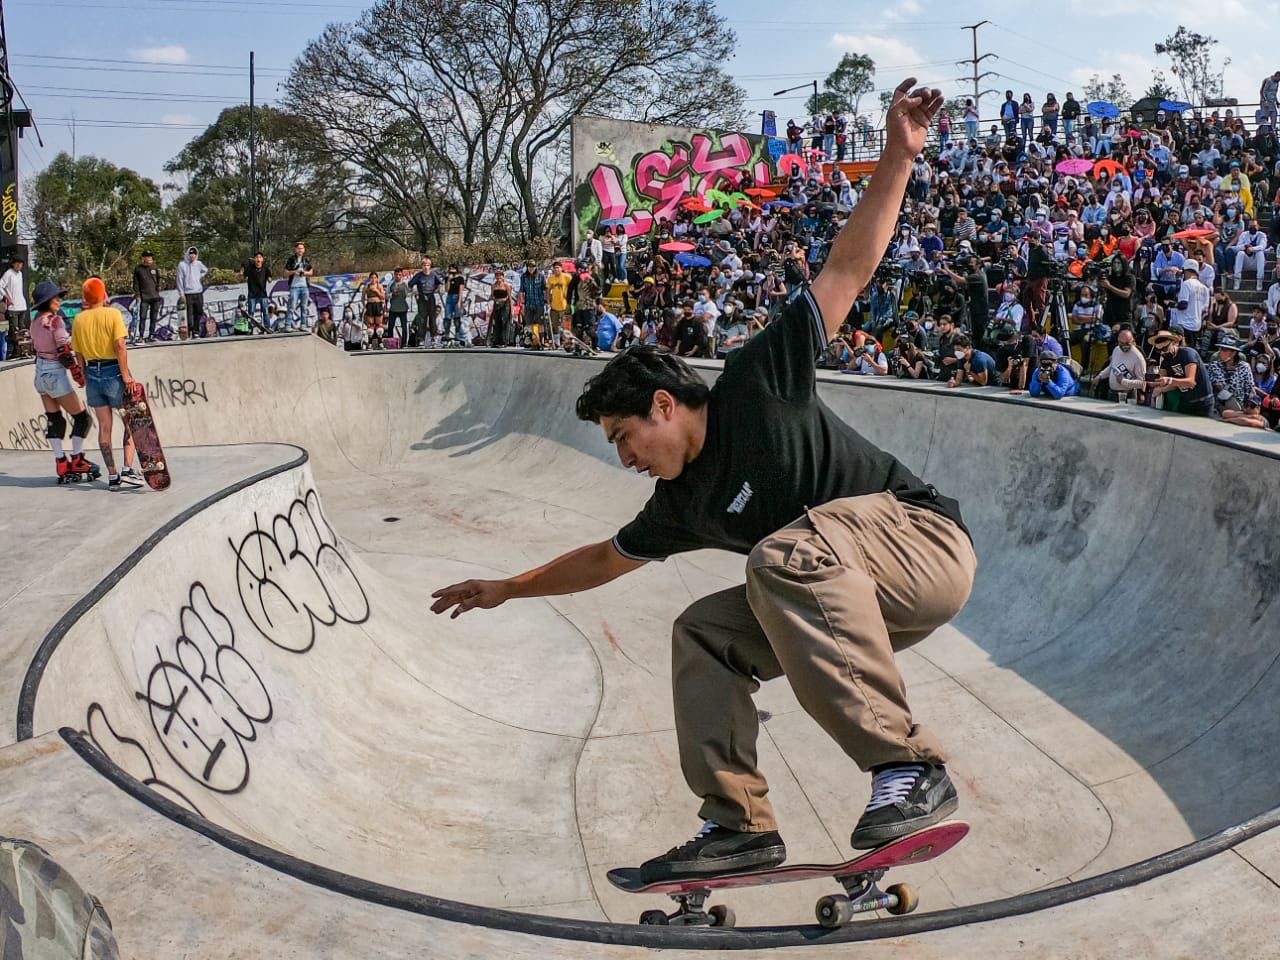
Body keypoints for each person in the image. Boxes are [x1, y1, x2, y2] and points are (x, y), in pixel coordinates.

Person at [431, 79, 975, 882]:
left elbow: (848, 270)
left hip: (921, 547)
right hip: (842, 602)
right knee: (705, 633)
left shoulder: (759, 381)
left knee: (779, 558)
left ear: (663, 405)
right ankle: (739, 823)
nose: (625, 459)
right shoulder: (680, 503)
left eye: (625, 439)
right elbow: (602, 561)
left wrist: (897, 156)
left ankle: (911, 767)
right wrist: (507, 588)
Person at [69, 278, 141, 488]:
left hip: (92, 375)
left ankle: (112, 476)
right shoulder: (112, 314)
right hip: (113, 374)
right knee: (131, 420)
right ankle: (128, 469)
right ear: (103, 294)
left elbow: (78, 352)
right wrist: (126, 374)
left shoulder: (79, 320)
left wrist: (82, 374)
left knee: (104, 427)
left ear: (85, 297)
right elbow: (120, 344)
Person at [28, 280, 98, 482]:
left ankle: (61, 462)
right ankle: (77, 459)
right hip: (55, 375)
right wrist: (78, 373)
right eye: (55, 297)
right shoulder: (55, 321)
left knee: (55, 420)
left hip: (40, 375)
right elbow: (64, 352)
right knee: (83, 418)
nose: (59, 300)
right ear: (46, 301)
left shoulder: (34, 323)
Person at [1149, 329, 1212, 416]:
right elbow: (1162, 381)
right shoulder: (1166, 361)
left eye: (1165, 348)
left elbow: (1190, 382)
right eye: (1159, 350)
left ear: (1172, 343)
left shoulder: (1187, 354)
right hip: (1186, 401)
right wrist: (1152, 383)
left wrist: (1168, 380)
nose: (1163, 352)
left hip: (1201, 400)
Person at [1209, 335, 1259, 423]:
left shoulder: (1244, 367)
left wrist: (1249, 403)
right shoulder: (1214, 365)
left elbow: (1250, 388)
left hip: (1240, 405)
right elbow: (1212, 385)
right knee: (1224, 396)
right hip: (1220, 404)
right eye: (1220, 349)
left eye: (1224, 350)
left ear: (1233, 353)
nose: (1220, 352)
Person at [1094, 327, 1147, 401]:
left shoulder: (1138, 357)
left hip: (1128, 396)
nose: (1124, 346)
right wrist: (1100, 376)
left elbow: (1142, 383)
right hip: (1112, 394)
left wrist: (1124, 381)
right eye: (1121, 343)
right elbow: (1111, 367)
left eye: (1127, 343)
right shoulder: (1116, 350)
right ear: (1118, 341)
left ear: (1133, 341)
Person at [409, 257, 444, 347]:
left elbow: (439, 283)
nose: (426, 267)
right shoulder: (419, 275)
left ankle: (433, 339)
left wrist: (436, 289)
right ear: (422, 266)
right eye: (424, 265)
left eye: (427, 265)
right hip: (422, 298)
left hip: (431, 297)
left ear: (430, 266)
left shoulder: (433, 275)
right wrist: (414, 292)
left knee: (432, 319)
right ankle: (421, 339)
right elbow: (410, 284)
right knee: (422, 319)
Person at [1015, 350, 1079, 399]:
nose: (1046, 366)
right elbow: (1034, 394)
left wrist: (1048, 382)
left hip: (1069, 394)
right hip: (1050, 393)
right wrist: (1038, 381)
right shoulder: (1038, 371)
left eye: (1049, 363)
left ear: (1055, 363)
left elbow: (1059, 394)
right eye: (1044, 363)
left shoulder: (1063, 372)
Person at [176, 247, 208, 339]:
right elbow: (179, 279)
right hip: (187, 293)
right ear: (187, 254)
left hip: (198, 292)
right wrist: (181, 293)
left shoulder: (198, 264)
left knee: (199, 312)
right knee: (189, 314)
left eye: (194, 254)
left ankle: (196, 331)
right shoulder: (182, 265)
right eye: (191, 254)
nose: (192, 256)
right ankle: (189, 331)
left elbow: (205, 270)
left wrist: (199, 277)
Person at [133, 251, 165, 342]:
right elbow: (136, 283)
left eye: (151, 256)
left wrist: (159, 289)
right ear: (143, 258)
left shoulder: (155, 267)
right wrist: (138, 295)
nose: (149, 258)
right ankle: (141, 336)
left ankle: (151, 335)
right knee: (142, 317)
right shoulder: (138, 268)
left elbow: (159, 280)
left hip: (155, 297)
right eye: (147, 256)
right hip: (144, 297)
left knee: (154, 317)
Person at [284, 242, 314, 330]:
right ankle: (288, 325)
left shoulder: (307, 260)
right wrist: (294, 272)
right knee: (292, 306)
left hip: (304, 286)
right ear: (296, 249)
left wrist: (304, 273)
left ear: (304, 250)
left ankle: (303, 325)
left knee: (304, 307)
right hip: (294, 286)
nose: (300, 250)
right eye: (298, 248)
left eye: (301, 248)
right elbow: (286, 272)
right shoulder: (291, 259)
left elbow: (311, 272)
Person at [518, 261, 549, 349]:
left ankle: (541, 341)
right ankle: (533, 341)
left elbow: (545, 289)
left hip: (539, 303)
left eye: (533, 266)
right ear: (527, 267)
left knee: (541, 323)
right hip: (529, 304)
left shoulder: (541, 276)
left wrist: (547, 302)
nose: (531, 268)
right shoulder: (524, 276)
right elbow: (521, 291)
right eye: (529, 266)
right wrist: (522, 304)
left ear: (536, 267)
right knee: (529, 324)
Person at [241, 252, 273, 333]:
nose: (258, 259)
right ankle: (249, 329)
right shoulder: (249, 268)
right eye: (256, 257)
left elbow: (270, 280)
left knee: (265, 312)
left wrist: (269, 277)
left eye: (260, 257)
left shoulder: (265, 268)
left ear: (262, 259)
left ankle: (267, 327)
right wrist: (241, 272)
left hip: (263, 294)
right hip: (252, 294)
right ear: (254, 259)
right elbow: (243, 278)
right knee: (251, 313)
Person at [488, 270, 513, 347]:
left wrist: (512, 310)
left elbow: (510, 298)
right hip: (496, 305)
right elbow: (492, 296)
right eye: (497, 276)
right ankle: (496, 341)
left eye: (500, 275)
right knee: (497, 323)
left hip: (505, 305)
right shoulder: (493, 286)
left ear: (503, 277)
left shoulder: (506, 286)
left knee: (504, 322)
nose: (499, 277)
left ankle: (504, 341)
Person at [387, 268, 411, 345]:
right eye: (396, 275)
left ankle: (404, 343)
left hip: (403, 308)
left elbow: (409, 294)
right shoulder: (390, 284)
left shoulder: (405, 284)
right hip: (393, 308)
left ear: (402, 275)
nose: (397, 276)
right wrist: (392, 294)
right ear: (394, 275)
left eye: (399, 275)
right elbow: (386, 295)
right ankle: (391, 342)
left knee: (404, 326)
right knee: (390, 326)